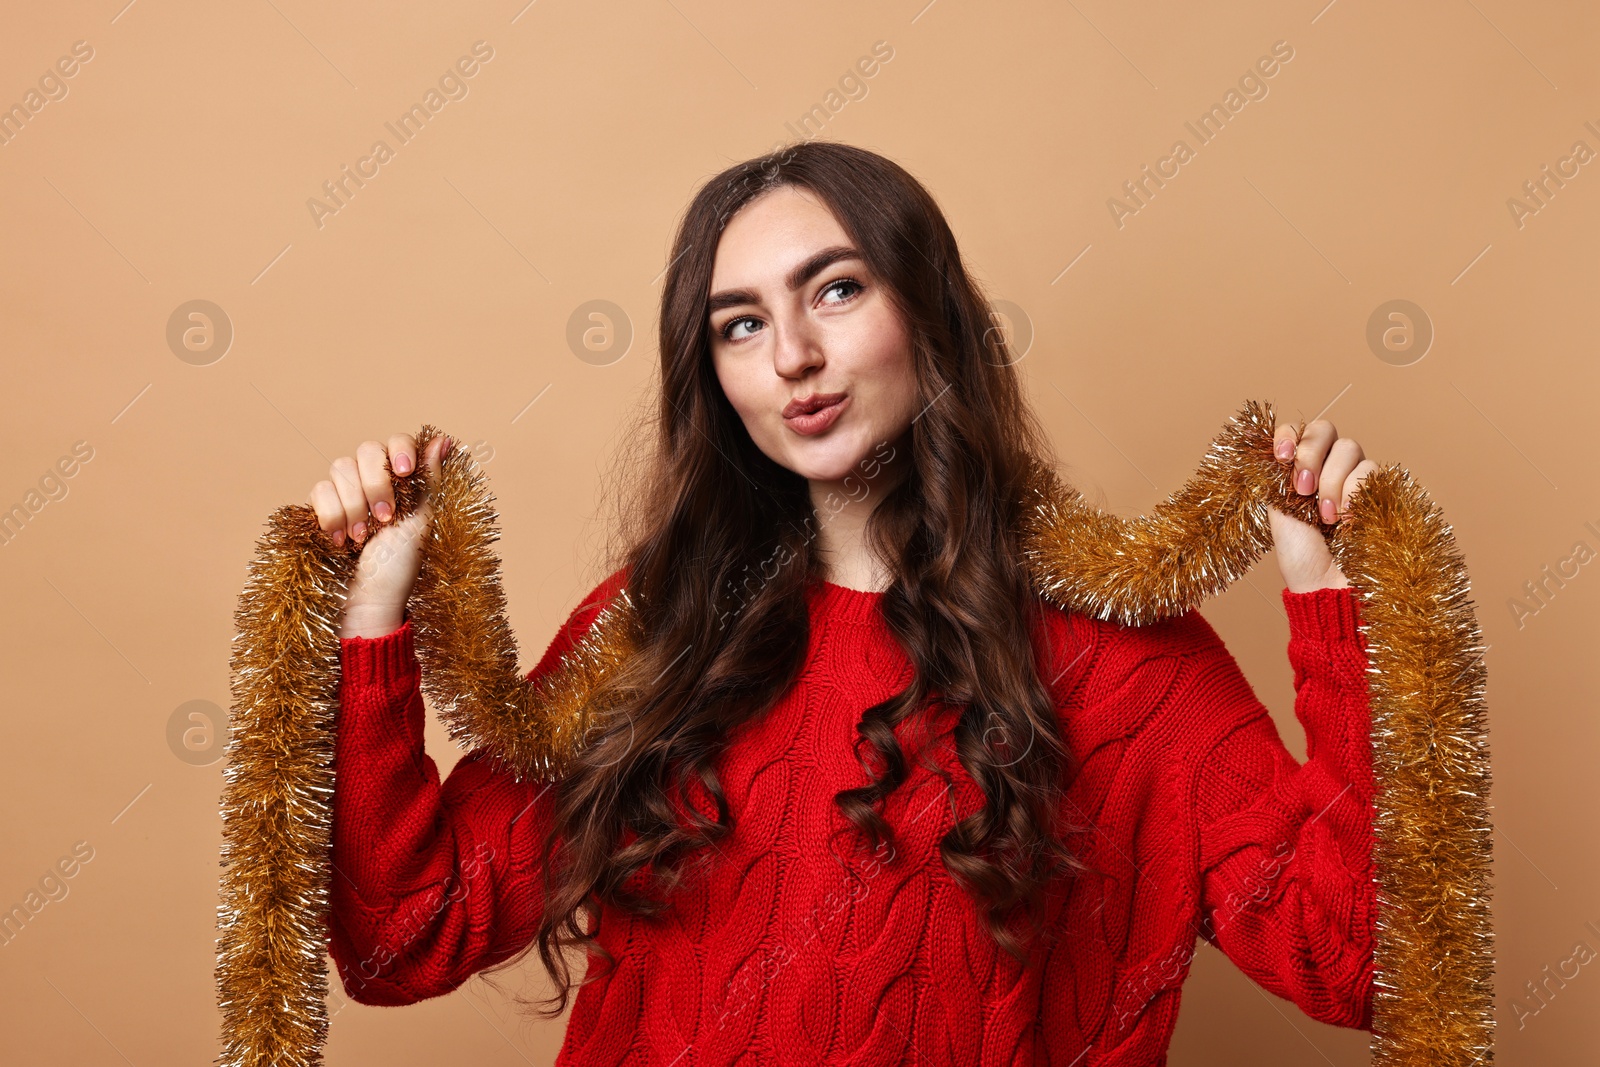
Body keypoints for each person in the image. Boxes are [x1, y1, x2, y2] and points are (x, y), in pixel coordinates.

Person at [312, 141, 1379, 1065]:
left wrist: (1327, 607)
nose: (791, 357)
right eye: (738, 324)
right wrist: (375, 618)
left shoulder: (1123, 655)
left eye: (835, 289)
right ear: (713, 377)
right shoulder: (656, 627)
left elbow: (1352, 961)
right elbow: (399, 938)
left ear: (929, 311)